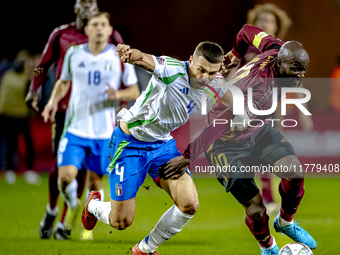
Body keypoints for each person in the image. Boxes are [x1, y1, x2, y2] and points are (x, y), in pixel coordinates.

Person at [163, 25, 317, 255]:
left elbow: (246, 30)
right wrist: (188, 157)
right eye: (295, 70)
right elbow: (218, 123)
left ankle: (285, 222)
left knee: (294, 173)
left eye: (303, 70)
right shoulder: (255, 88)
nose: (299, 76)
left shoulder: (276, 47)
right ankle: (268, 247)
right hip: (225, 144)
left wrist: (235, 54)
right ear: (280, 64)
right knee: (255, 209)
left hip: (257, 131)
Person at [81, 41, 238, 255]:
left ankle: (145, 249)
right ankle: (93, 205)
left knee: (189, 204)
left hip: (162, 145)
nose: (204, 77)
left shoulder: (217, 82)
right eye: (200, 70)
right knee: (121, 221)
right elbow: (144, 58)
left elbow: (236, 103)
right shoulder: (171, 69)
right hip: (130, 143)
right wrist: (129, 54)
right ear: (191, 60)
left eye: (211, 73)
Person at [26, 0, 125, 240]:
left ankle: (63, 222)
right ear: (76, 7)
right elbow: (41, 66)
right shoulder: (61, 35)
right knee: (61, 169)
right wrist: (33, 89)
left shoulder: (112, 36)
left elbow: (126, 63)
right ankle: (51, 209)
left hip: (98, 115)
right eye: (84, 1)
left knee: (86, 170)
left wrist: (122, 97)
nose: (88, 5)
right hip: (64, 112)